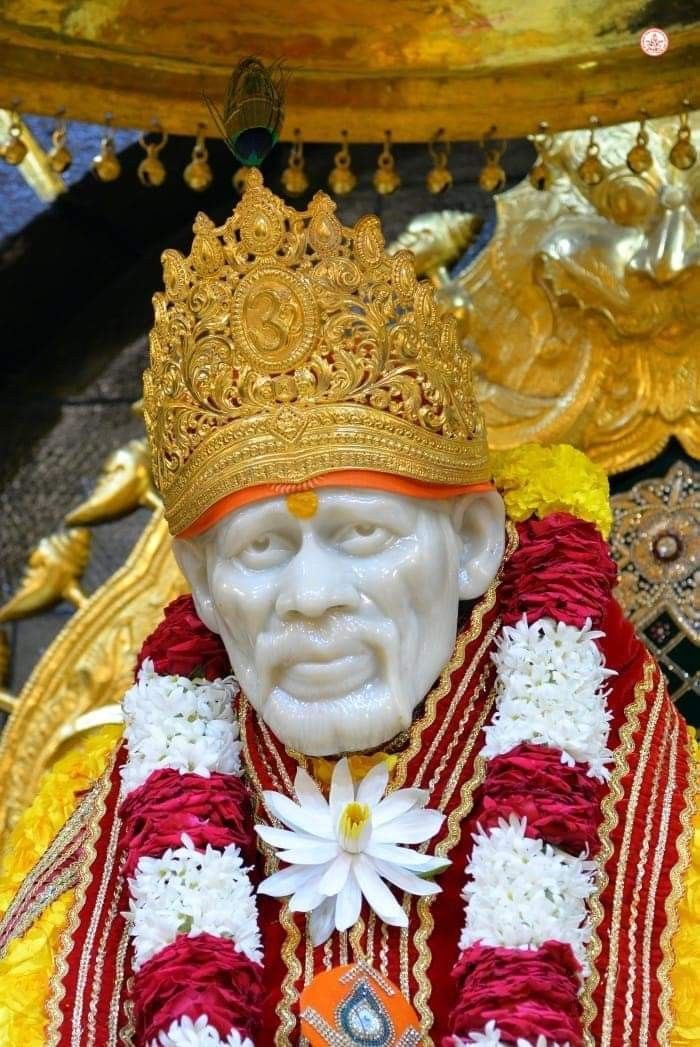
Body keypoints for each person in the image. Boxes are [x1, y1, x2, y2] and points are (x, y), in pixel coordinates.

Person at [0, 171, 697, 1047]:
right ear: (203, 585)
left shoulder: (660, 811)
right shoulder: (97, 833)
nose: (314, 595)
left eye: (364, 533)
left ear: (475, 539)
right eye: (261, 549)